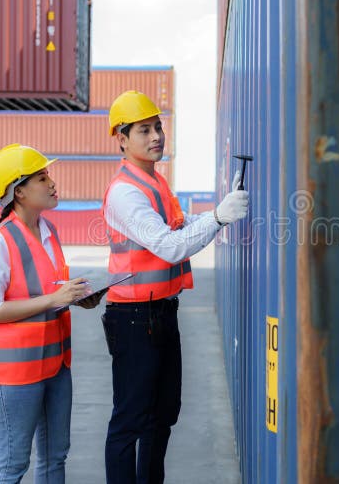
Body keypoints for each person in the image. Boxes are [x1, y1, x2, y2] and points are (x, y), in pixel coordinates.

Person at [100, 90, 249, 483]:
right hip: (133, 318)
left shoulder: (155, 183)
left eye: (158, 127)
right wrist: (219, 217)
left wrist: (222, 205)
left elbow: (178, 230)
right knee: (130, 421)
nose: (156, 136)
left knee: (162, 416)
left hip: (162, 313)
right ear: (122, 138)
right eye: (145, 130)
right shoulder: (125, 192)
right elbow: (169, 247)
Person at [0, 144, 97, 484]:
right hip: (13, 376)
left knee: (55, 458)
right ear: (19, 192)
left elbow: (47, 288)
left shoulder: (49, 232)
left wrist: (72, 297)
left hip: (55, 367)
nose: (52, 183)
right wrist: (52, 298)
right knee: (12, 466)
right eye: (43, 178)